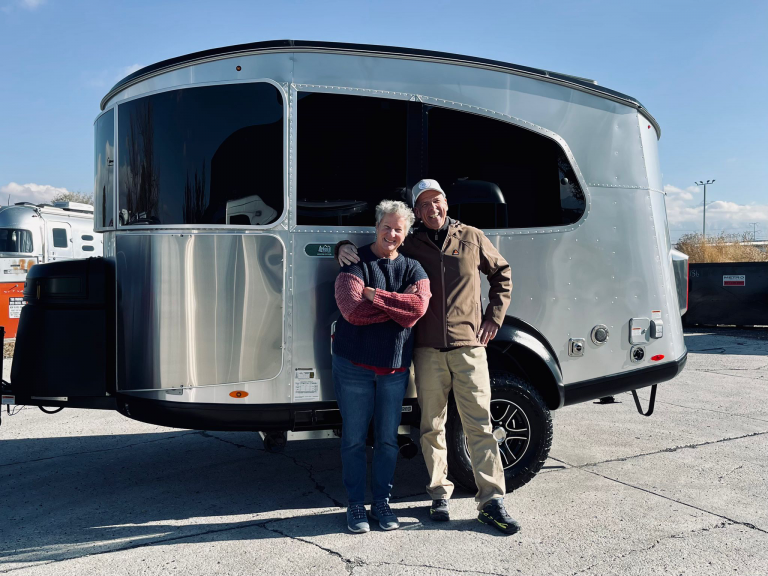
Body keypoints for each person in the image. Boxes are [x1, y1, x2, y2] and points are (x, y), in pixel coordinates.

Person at [336, 179, 520, 535]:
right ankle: (439, 493)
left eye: (436, 201)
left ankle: (492, 500)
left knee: (479, 426)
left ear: (446, 202)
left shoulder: (472, 237)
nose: (431, 208)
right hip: (426, 350)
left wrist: (494, 318)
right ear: (417, 213)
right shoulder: (412, 242)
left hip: (469, 347)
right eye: (423, 204)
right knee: (431, 426)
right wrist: (341, 247)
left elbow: (501, 274)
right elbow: (378, 253)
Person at [333, 199, 431, 533]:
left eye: (398, 229)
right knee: (354, 439)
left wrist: (374, 295)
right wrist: (397, 307)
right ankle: (355, 504)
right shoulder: (355, 262)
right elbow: (351, 310)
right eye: (386, 227)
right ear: (376, 227)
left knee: (388, 440)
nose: (391, 234)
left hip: (394, 368)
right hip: (354, 365)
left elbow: (418, 309)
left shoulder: (414, 268)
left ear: (406, 233)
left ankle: (381, 502)